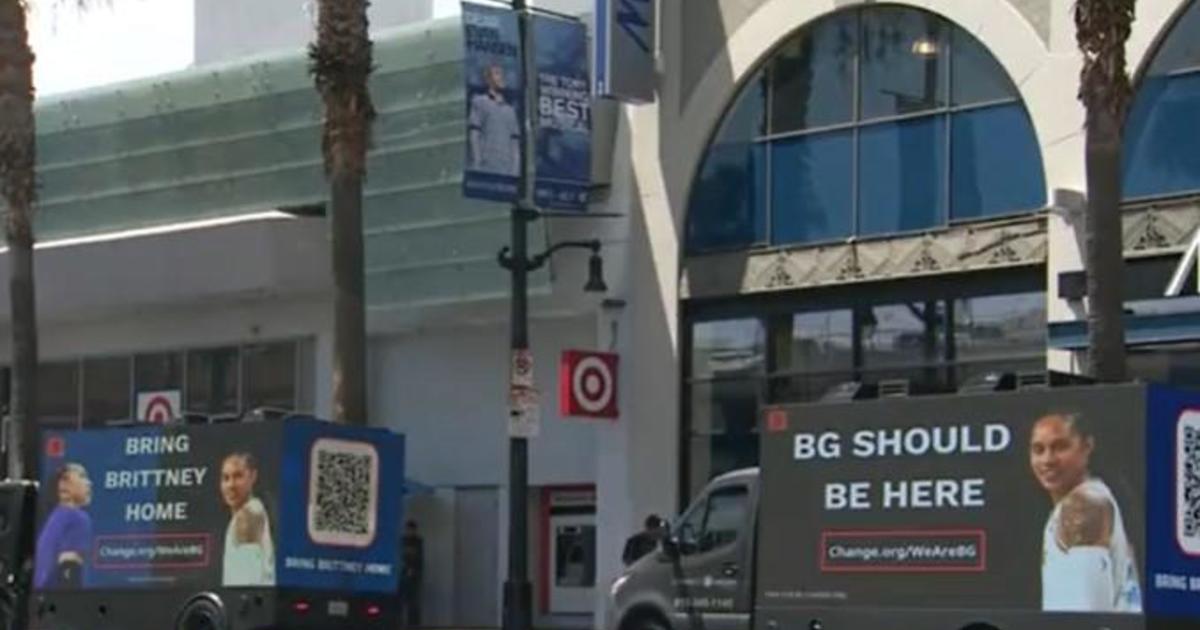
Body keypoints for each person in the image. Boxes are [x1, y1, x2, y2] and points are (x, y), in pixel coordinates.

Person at [1029, 412, 1141, 612]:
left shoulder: (1081, 507)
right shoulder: (1093, 499)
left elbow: (1083, 617)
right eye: (1039, 450)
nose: (1047, 460)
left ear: (1087, 446)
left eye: (1060, 447)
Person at [34, 463, 94, 589]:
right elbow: (68, 567)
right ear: (64, 486)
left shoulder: (55, 518)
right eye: (82, 477)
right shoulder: (77, 518)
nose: (89, 483)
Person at [220, 452, 275, 586]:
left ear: (252, 477)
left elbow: (246, 583)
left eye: (238, 476)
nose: (231, 485)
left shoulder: (247, 516)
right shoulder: (251, 511)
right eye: (226, 478)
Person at [467, 62, 521, 177]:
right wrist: (477, 162)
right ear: (488, 79)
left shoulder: (510, 111)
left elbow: (515, 143)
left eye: (502, 74)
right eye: (497, 74)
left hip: (506, 170)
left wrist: (515, 170)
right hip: (486, 166)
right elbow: (474, 134)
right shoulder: (479, 102)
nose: (501, 77)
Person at [399, 520, 424, 628]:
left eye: (411, 530)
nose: (409, 532)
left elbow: (419, 560)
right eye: (408, 529)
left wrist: (413, 570)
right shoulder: (403, 541)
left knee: (413, 602)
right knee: (403, 600)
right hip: (403, 574)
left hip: (414, 576)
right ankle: (403, 623)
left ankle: (413, 624)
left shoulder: (418, 542)